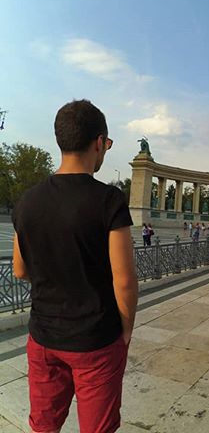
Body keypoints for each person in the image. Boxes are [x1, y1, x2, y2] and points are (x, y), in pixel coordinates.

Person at [12, 100, 138, 433]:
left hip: (42, 338)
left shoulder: (27, 201)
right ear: (98, 142)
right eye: (107, 145)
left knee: (44, 425)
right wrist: (125, 329)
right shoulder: (109, 200)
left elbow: (20, 270)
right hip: (95, 341)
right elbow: (124, 280)